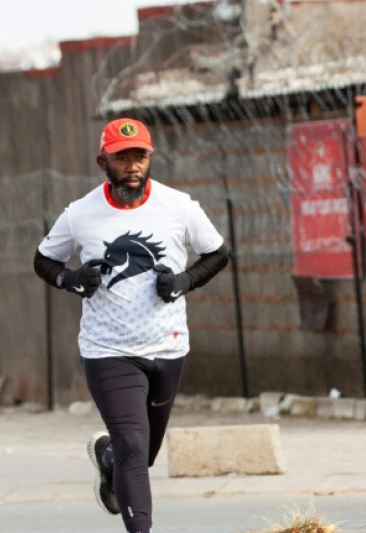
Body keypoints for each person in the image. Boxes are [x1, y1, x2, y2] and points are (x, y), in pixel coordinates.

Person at [33, 117, 229, 532]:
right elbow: (43, 260)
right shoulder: (80, 214)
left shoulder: (178, 206)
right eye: (123, 158)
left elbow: (216, 254)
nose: (133, 166)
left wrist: (183, 281)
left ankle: (108, 460)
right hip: (108, 351)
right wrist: (72, 280)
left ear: (150, 158)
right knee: (134, 447)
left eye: (140, 156)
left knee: (142, 454)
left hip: (168, 346)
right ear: (103, 160)